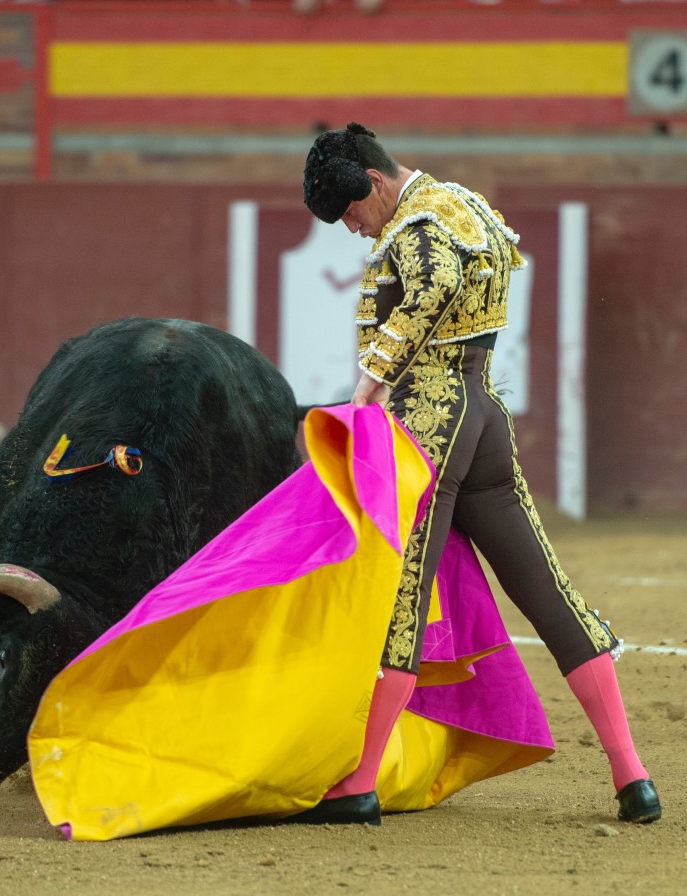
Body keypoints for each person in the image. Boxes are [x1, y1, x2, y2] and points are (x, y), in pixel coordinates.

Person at [295, 122, 661, 825]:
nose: (352, 229)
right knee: (548, 591)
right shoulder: (466, 203)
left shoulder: (419, 225)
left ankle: (360, 783)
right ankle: (632, 774)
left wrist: (371, 381)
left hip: (431, 421)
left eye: (350, 212)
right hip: (484, 415)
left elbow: (436, 280)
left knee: (403, 597)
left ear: (374, 183)